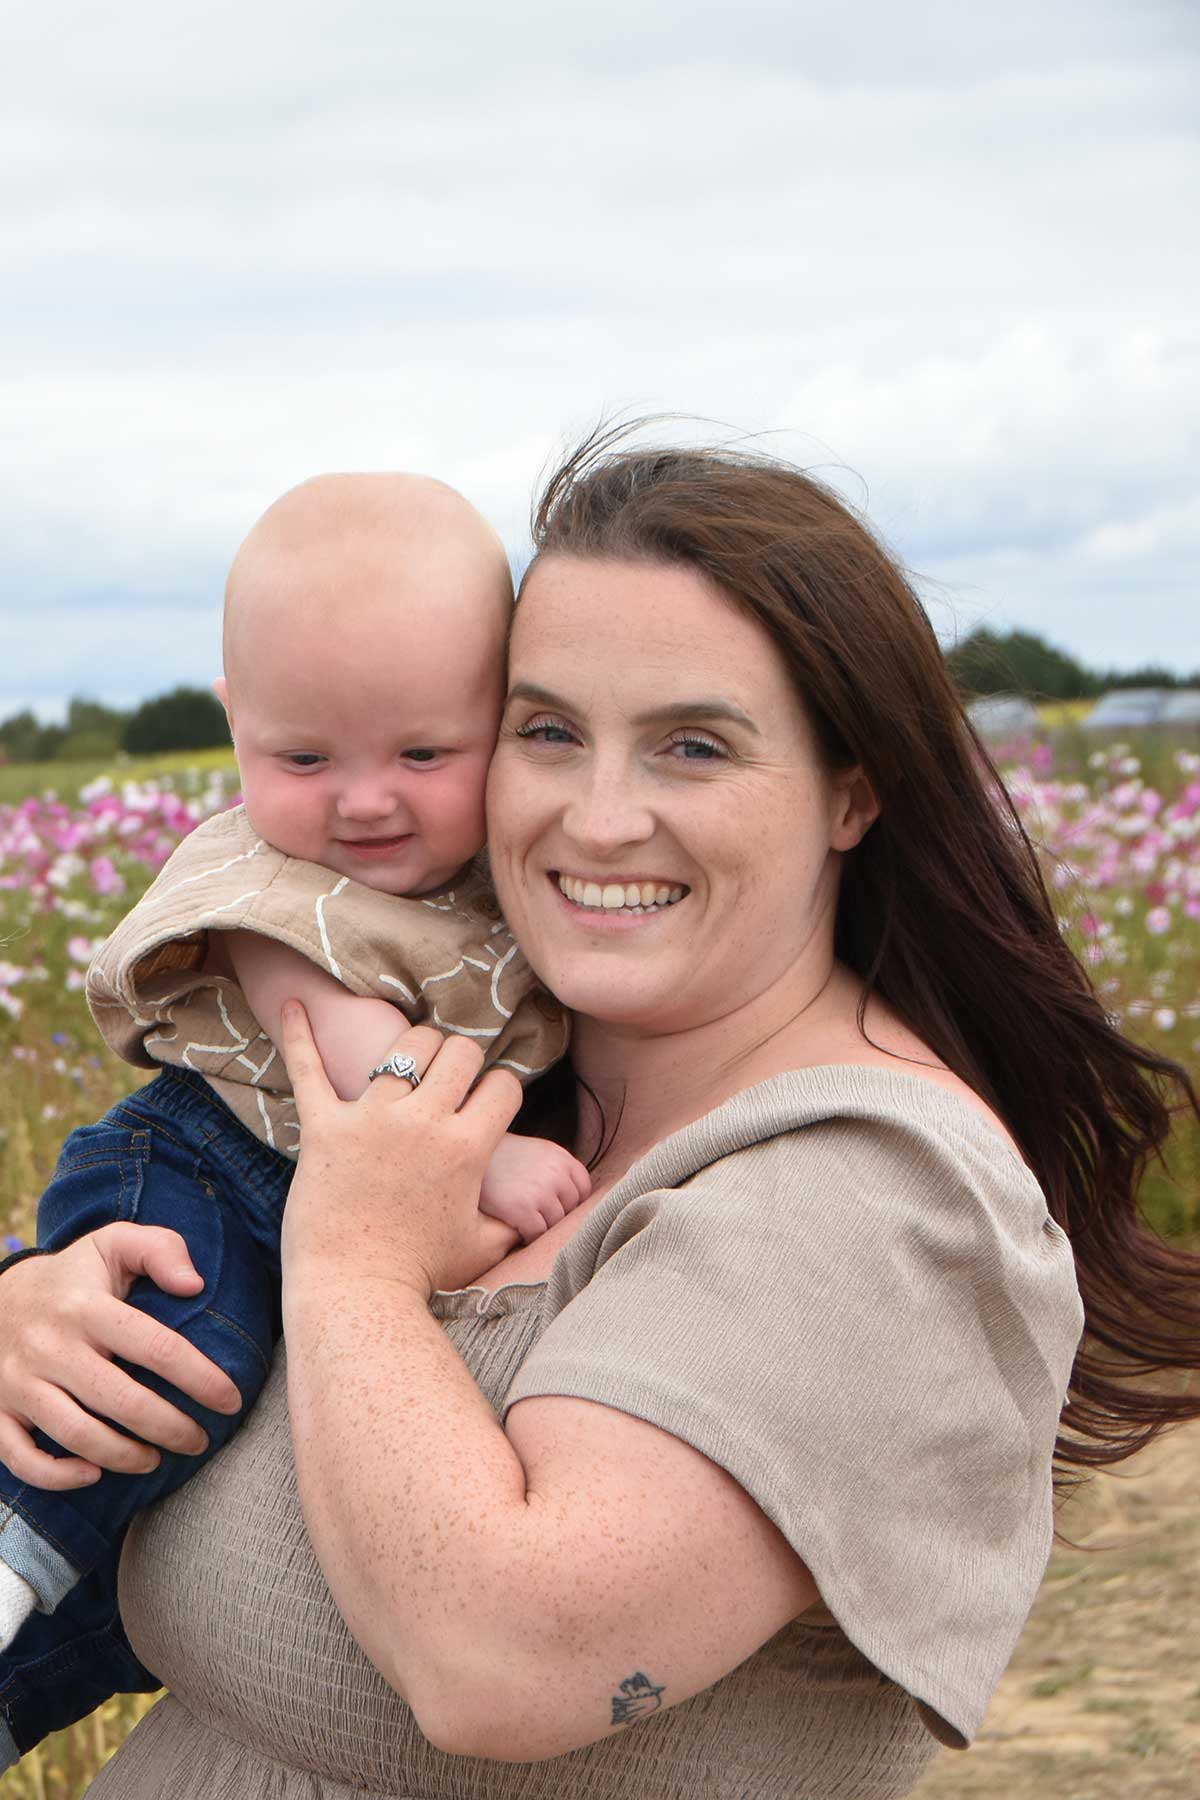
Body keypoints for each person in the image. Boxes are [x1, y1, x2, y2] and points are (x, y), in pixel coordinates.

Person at [2, 428, 1199, 1799]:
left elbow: (502, 1663)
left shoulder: (875, 1198)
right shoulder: (503, 1093)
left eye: (694, 746)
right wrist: (41, 1315)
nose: (600, 816)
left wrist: (354, 1260)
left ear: (852, 791)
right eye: (550, 732)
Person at [0, 472, 586, 1771]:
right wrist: (487, 1152)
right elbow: (351, 1049)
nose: (364, 800)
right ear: (235, 724)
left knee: (165, 1513)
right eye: (303, 757)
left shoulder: (504, 888)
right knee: (143, 1381)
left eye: (425, 754)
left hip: (303, 1211)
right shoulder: (272, 882)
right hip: (203, 1180)